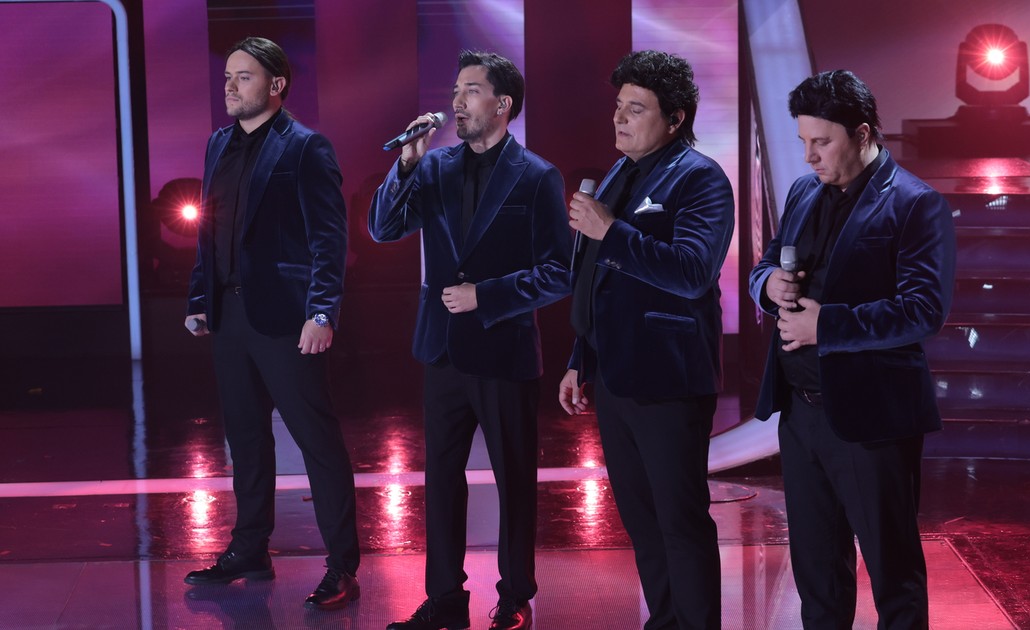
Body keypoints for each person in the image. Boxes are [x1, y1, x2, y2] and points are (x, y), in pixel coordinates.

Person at [370, 50, 572, 630]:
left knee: (514, 480)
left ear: (502, 104)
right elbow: (383, 228)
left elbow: (559, 272)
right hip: (441, 349)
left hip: (504, 351)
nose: (457, 102)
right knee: (441, 480)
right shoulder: (435, 167)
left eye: (471, 91)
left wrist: (487, 295)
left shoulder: (537, 176)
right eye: (456, 90)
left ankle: (514, 597)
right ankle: (444, 600)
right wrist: (406, 164)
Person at [749, 70, 956, 629]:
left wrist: (827, 325)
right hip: (800, 413)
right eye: (804, 142)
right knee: (816, 576)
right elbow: (765, 262)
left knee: (893, 575)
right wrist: (767, 285)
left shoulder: (916, 203)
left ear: (862, 133)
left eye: (822, 142)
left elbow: (924, 310)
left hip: (873, 420)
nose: (809, 156)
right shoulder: (802, 192)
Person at [557, 50, 734, 630]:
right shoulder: (619, 172)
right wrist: (580, 357)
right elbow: (595, 277)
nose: (619, 118)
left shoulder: (700, 177)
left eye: (636, 109)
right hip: (614, 374)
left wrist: (611, 230)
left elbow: (692, 271)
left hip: (669, 377)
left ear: (675, 118)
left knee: (680, 521)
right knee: (641, 521)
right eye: (618, 106)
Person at [182, 37, 360, 611]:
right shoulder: (217, 144)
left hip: (287, 318)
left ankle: (342, 566)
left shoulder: (306, 147)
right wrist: (200, 297)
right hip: (230, 315)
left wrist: (321, 311)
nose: (230, 86)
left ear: (276, 84)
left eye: (244, 77)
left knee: (316, 440)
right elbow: (209, 230)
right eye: (227, 77)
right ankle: (250, 549)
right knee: (246, 438)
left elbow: (329, 240)